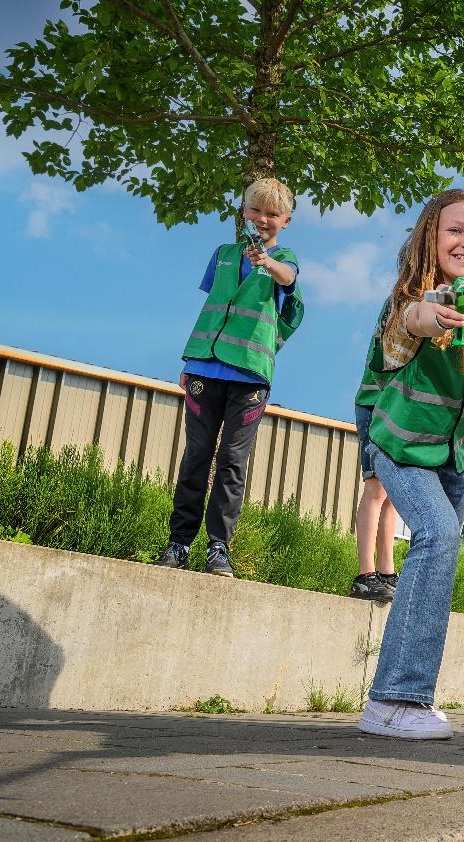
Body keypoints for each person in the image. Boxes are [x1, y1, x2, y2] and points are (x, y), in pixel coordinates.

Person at [356, 189, 464, 739]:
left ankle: (411, 694)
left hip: (453, 454)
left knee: (441, 557)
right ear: (429, 238)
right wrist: (430, 316)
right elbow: (410, 325)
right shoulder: (408, 300)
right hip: (399, 443)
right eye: (455, 230)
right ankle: (393, 698)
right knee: (438, 536)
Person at [156, 178, 302, 577]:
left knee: (232, 461)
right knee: (196, 457)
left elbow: (287, 278)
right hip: (204, 368)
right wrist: (190, 362)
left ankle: (218, 547)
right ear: (244, 212)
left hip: (250, 376)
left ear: (285, 221)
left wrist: (266, 263)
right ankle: (178, 544)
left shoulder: (284, 259)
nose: (262, 219)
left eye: (272, 214)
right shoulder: (222, 255)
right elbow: (214, 304)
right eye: (255, 210)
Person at [350, 297, 400, 602]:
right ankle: (365, 575)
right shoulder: (404, 300)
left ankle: (386, 572)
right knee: (377, 488)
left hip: (399, 408)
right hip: (376, 402)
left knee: (392, 493)